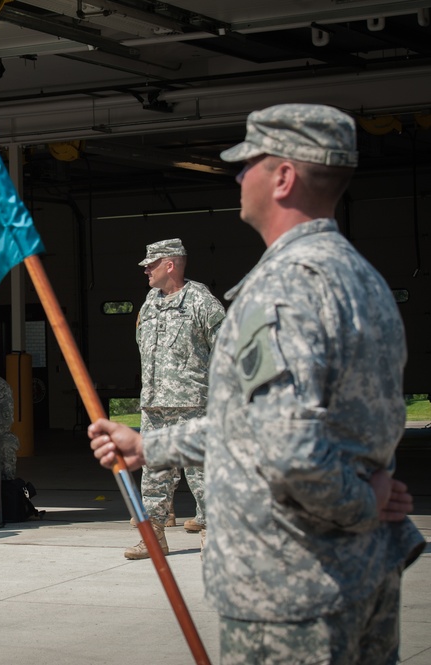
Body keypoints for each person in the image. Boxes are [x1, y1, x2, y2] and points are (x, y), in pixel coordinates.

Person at [89, 104, 425, 663]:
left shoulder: (282, 290)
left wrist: (362, 500)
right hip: (361, 573)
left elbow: (289, 449)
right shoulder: (357, 276)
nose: (239, 177)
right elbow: (286, 422)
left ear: (285, 178)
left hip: (294, 586)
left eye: (249, 164)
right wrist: (152, 444)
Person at [126, 238, 224, 560]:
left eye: (151, 265)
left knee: (202, 473)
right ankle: (153, 538)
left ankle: (214, 538)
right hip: (154, 405)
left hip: (193, 405)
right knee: (153, 474)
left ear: (170, 265)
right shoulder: (149, 302)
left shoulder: (201, 301)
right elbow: (141, 344)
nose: (146, 271)